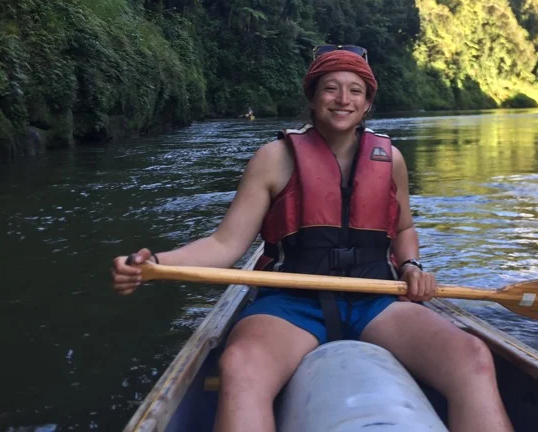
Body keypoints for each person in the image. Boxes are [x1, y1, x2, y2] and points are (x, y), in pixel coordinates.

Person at [111, 45, 514, 432]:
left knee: (473, 357)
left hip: (375, 300)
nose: (343, 99)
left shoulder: (389, 159)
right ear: (313, 97)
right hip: (291, 304)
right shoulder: (274, 158)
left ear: (367, 103)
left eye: (355, 91)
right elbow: (224, 245)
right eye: (330, 88)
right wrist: (157, 264)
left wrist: (410, 266)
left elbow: (404, 229)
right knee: (240, 366)